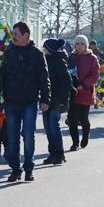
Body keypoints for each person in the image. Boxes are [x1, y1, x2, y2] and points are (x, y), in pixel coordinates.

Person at [0, 22, 50, 182]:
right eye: (12, 33)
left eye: (16, 34)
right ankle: (15, 169)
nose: (13, 36)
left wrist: (45, 99)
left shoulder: (36, 54)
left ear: (26, 35)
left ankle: (28, 168)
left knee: (28, 135)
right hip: (11, 101)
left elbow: (44, 78)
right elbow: (1, 76)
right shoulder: (9, 52)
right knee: (12, 137)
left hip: (29, 102)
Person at [41, 38, 72, 166]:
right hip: (46, 99)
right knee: (48, 128)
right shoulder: (44, 61)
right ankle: (52, 152)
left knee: (54, 126)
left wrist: (61, 100)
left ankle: (59, 153)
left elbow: (67, 82)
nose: (43, 50)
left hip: (56, 100)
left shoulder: (59, 61)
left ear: (50, 50)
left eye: (45, 48)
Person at [67, 35, 99, 151]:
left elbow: (95, 75)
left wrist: (84, 84)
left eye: (82, 44)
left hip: (85, 91)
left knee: (83, 117)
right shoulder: (71, 57)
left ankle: (85, 135)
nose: (79, 46)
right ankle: (75, 143)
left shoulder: (92, 58)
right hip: (73, 92)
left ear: (86, 45)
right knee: (72, 119)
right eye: (77, 44)